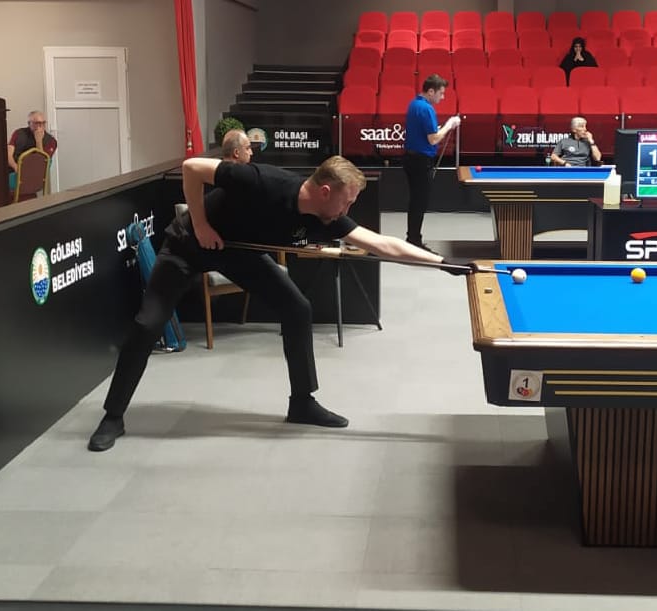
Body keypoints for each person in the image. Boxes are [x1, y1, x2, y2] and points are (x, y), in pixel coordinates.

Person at [87, 155, 471, 452]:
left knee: (297, 308)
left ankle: (302, 402)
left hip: (239, 254)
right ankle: (113, 416)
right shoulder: (262, 180)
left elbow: (381, 244)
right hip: (188, 246)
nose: (348, 210)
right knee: (147, 324)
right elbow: (192, 168)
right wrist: (200, 224)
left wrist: (440, 262)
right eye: (347, 201)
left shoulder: (327, 216)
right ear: (326, 191)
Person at [403, 74, 460, 251]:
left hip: (411, 159)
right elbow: (433, 139)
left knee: (416, 200)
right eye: (440, 93)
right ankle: (414, 240)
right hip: (420, 161)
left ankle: (413, 237)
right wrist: (449, 124)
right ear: (430, 91)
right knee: (419, 202)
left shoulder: (414, 104)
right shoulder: (426, 109)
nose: (442, 97)